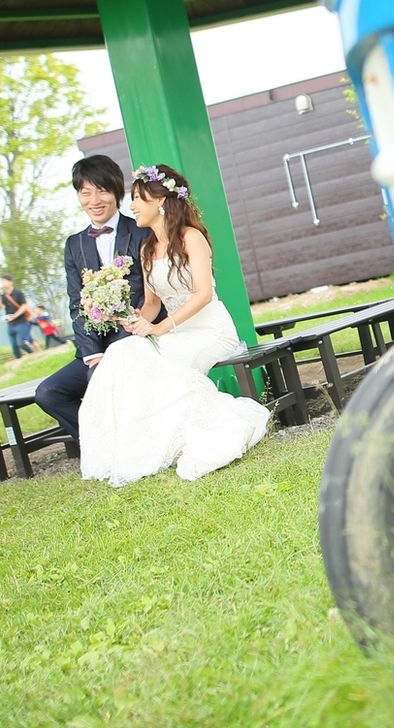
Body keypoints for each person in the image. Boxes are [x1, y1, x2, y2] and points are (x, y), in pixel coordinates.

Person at [79, 163, 269, 486]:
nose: (132, 206)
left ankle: (186, 436)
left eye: (137, 198)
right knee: (122, 353)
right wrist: (128, 318)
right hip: (174, 332)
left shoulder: (191, 237)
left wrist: (161, 328)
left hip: (210, 332)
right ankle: (134, 446)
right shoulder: (147, 248)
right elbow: (152, 305)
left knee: (156, 363)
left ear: (160, 201)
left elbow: (203, 294)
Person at [35, 155, 151, 445]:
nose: (94, 200)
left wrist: (116, 348)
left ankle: (131, 444)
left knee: (101, 378)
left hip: (136, 339)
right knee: (49, 393)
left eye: (101, 191)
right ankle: (104, 445)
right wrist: (92, 354)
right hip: (96, 348)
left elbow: (148, 296)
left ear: (116, 191)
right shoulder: (74, 244)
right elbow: (77, 304)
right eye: (85, 192)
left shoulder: (141, 232)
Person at [1, 273, 36, 358]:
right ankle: (19, 360)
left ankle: (33, 355)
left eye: (4, 281)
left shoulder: (18, 292)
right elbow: (1, 307)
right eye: (1, 281)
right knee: (14, 347)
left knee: (20, 343)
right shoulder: (3, 295)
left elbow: (24, 306)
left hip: (21, 321)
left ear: (10, 282)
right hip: (10, 323)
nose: (2, 283)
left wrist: (15, 315)